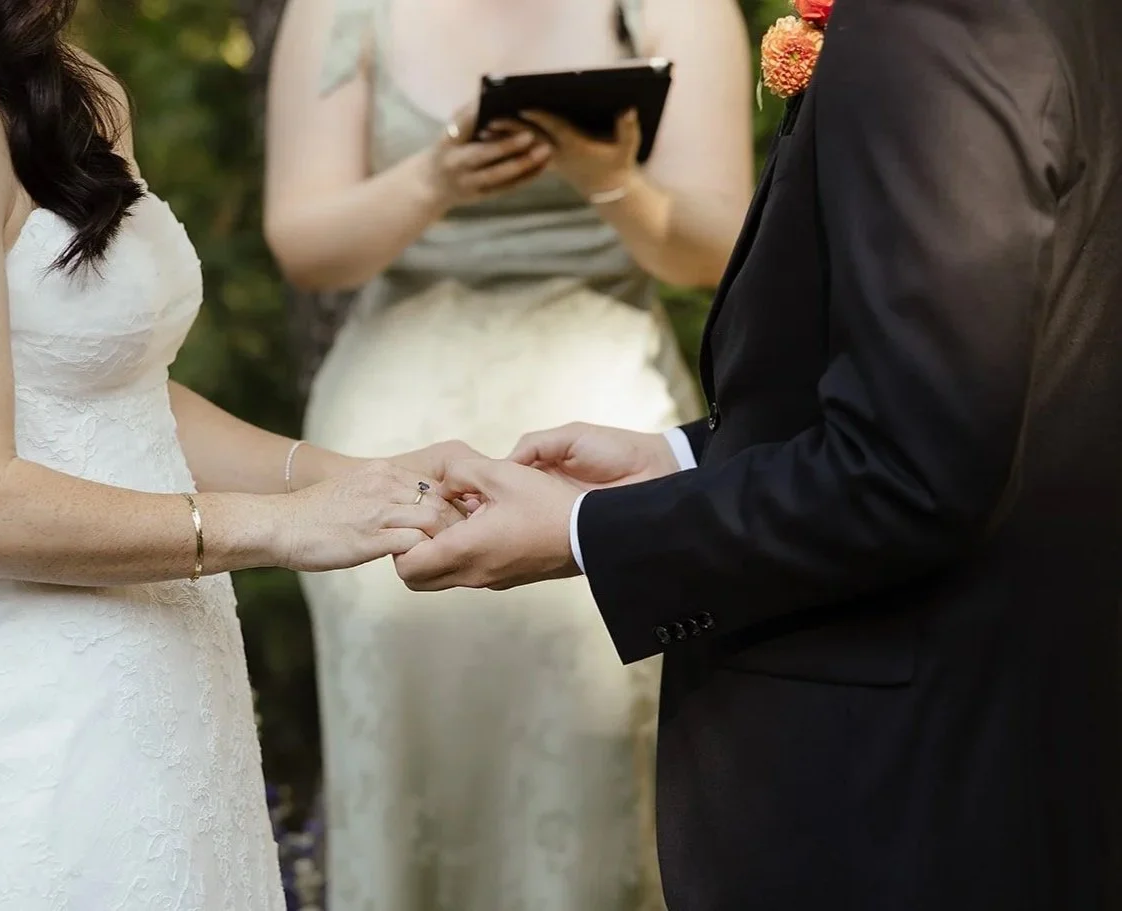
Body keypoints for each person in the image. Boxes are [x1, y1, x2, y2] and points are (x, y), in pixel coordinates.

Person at [396, 0, 1122, 908]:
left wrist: (589, 529)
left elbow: (912, 469)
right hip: (1022, 723)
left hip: (891, 779)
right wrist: (691, 459)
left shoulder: (930, 23)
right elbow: (1000, 379)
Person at [0, 1, 466, 909]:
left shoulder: (66, 80)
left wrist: (357, 478)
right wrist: (283, 528)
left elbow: (114, 381)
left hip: (176, 682)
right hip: (40, 729)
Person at [263, 0, 752, 906]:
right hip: (394, 411)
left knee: (599, 742)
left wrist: (612, 182)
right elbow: (304, 246)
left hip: (600, 407)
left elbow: (717, 249)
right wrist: (435, 181)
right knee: (406, 749)